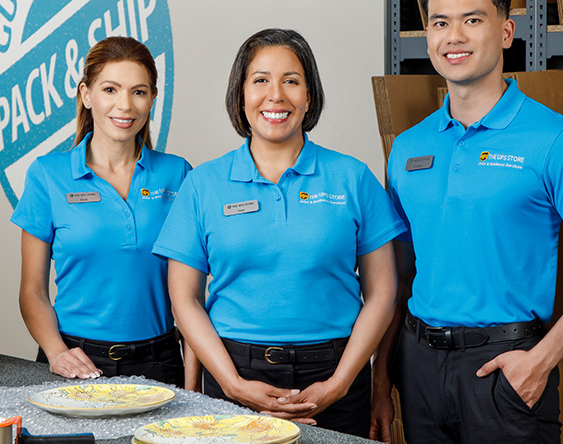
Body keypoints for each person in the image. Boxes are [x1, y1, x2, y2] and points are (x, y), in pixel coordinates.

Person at [370, 0, 563, 444]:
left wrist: (541, 359)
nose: (454, 36)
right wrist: (381, 379)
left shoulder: (558, 141)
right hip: (418, 366)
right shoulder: (409, 147)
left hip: (505, 366)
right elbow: (399, 273)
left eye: (472, 20)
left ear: (506, 31)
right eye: (440, 23)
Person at [153, 28, 405, 437]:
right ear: (241, 95)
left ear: (309, 96)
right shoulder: (203, 185)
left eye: (291, 81)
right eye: (260, 81)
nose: (276, 95)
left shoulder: (353, 178)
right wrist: (233, 385)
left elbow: (383, 294)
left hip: (337, 372)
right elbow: (184, 301)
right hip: (233, 370)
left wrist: (339, 384)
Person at [11, 36, 191, 387]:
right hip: (74, 360)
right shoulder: (48, 174)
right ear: (86, 94)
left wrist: (195, 382)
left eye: (138, 92)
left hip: (162, 362)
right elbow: (32, 290)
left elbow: (192, 296)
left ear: (152, 99)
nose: (124, 105)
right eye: (110, 89)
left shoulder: (179, 174)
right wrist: (56, 352)